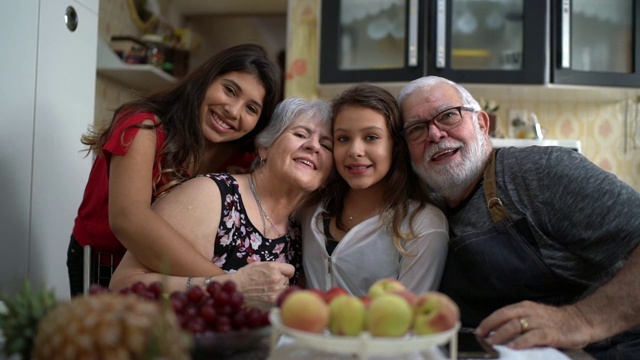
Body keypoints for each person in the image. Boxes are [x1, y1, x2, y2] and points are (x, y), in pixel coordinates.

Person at [397, 75, 640, 359]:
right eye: (416, 129)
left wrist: (580, 319)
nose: (435, 134)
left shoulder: (541, 173)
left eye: (448, 116)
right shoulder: (424, 210)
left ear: (482, 124)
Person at [67, 44, 282, 296]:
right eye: (229, 90)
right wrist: (231, 284)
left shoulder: (243, 158)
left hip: (170, 277)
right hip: (103, 264)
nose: (233, 111)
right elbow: (128, 221)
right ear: (206, 79)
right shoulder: (143, 127)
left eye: (251, 108)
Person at [109, 97, 334, 303]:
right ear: (265, 147)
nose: (313, 146)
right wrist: (227, 286)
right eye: (301, 134)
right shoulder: (211, 195)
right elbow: (123, 286)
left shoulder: (304, 229)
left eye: (326, 145)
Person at [300, 84, 449, 297]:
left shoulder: (423, 224)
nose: (355, 151)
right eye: (343, 138)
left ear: (395, 146)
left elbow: (404, 320)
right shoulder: (310, 206)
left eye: (371, 137)